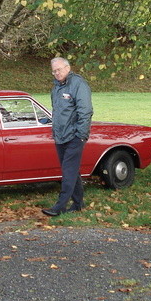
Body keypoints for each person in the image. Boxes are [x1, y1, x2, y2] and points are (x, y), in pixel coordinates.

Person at [42, 57, 93, 217]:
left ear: (68, 68)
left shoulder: (78, 84)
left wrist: (81, 135)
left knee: (68, 172)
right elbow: (57, 112)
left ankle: (60, 206)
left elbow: (85, 112)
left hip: (74, 137)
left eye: (59, 69)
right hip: (60, 136)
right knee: (71, 170)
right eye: (54, 70)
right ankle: (78, 204)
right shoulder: (56, 88)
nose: (57, 73)